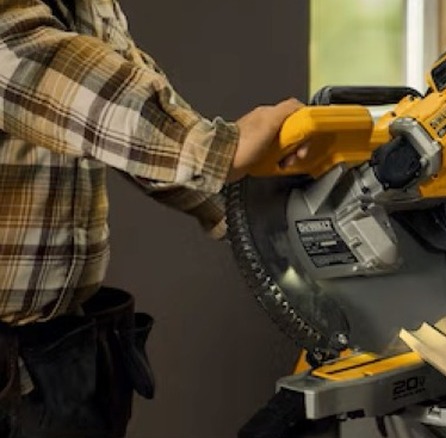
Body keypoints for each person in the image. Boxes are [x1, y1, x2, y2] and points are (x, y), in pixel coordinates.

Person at [0, 0, 305, 436]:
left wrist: (269, 221)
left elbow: (129, 120)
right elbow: (33, 62)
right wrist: (217, 147)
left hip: (56, 353)